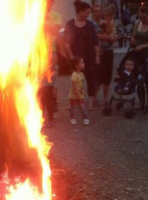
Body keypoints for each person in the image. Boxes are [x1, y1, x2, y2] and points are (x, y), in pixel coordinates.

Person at [63, 0, 100, 109]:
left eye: (89, 13)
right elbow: (66, 43)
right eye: (86, 13)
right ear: (80, 11)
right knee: (76, 80)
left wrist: (97, 56)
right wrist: (71, 57)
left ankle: (91, 103)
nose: (88, 15)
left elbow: (95, 42)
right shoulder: (70, 24)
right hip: (75, 58)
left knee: (91, 79)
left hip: (89, 57)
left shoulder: (90, 25)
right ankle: (73, 102)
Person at [129, 5, 148, 111]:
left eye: (144, 17)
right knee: (138, 78)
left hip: (146, 55)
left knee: (147, 78)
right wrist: (132, 41)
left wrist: (142, 46)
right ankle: (141, 101)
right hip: (136, 55)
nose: (142, 19)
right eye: (140, 17)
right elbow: (134, 37)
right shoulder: (137, 23)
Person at [40, 0, 63, 128]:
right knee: (36, 87)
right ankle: (38, 115)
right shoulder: (31, 13)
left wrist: (38, 22)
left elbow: (54, 30)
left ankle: (50, 117)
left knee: (49, 87)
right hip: (32, 53)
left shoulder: (57, 16)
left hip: (50, 53)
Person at [92, 5, 117, 106]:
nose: (98, 13)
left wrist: (111, 38)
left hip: (108, 51)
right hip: (98, 53)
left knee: (107, 76)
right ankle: (94, 97)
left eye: (99, 11)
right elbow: (95, 36)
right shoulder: (91, 24)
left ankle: (105, 98)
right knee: (98, 76)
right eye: (95, 12)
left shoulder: (107, 22)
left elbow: (114, 38)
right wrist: (107, 37)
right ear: (92, 13)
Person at [68, 57, 89, 125]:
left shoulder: (81, 74)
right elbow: (73, 85)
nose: (84, 64)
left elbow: (82, 83)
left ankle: (85, 118)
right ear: (77, 66)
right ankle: (72, 118)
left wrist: (82, 92)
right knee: (73, 107)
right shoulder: (74, 75)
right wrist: (76, 93)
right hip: (74, 95)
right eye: (82, 63)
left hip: (80, 94)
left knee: (82, 107)